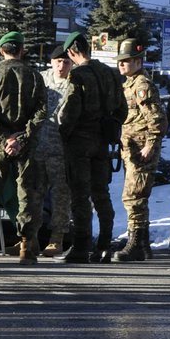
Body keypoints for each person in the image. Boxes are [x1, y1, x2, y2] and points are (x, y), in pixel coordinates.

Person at [0, 30, 47, 266]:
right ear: (21, 50)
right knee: (27, 194)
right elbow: (42, 112)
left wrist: (4, 137)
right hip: (25, 145)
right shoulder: (35, 76)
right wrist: (21, 137)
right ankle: (27, 247)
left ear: (2, 50)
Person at [58, 32, 125, 264]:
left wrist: (62, 134)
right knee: (101, 194)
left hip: (79, 143)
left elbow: (70, 112)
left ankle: (81, 245)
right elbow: (122, 110)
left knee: (80, 195)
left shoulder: (78, 76)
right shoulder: (111, 74)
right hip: (102, 142)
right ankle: (105, 244)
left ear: (72, 52)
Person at [115, 37, 163, 261]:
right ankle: (142, 244)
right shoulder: (130, 84)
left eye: (126, 60)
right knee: (136, 196)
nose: (121, 64)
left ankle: (136, 242)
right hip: (131, 148)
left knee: (133, 196)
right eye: (120, 61)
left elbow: (156, 119)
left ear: (138, 61)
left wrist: (150, 145)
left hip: (141, 149)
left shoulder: (142, 85)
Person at [38, 44, 75, 257]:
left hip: (61, 149)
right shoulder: (40, 79)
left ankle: (57, 238)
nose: (61, 66)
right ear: (51, 62)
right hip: (37, 147)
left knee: (61, 195)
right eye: (58, 61)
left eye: (66, 62)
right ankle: (28, 238)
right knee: (33, 194)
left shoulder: (75, 82)